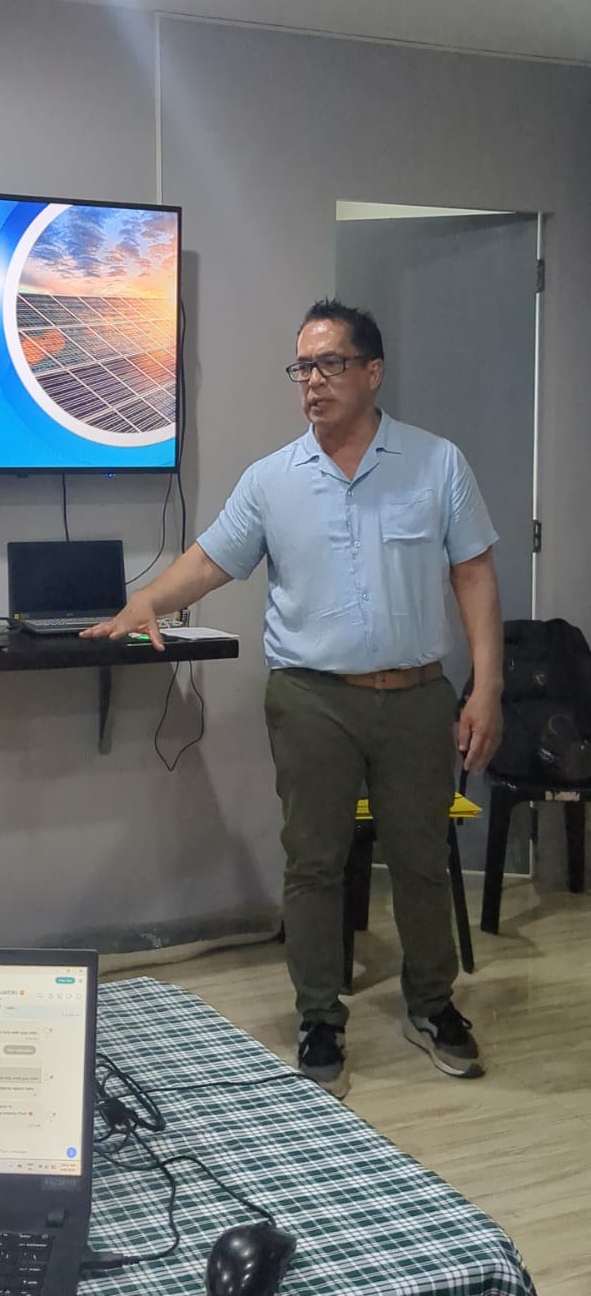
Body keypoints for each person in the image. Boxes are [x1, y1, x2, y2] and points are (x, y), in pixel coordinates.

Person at [82, 298, 502, 1097]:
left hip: (417, 697)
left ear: (371, 372)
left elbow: (473, 574)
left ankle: (431, 1004)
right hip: (311, 698)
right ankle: (318, 1018)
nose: (312, 381)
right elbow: (211, 558)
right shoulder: (272, 479)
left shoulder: (436, 463)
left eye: (329, 364)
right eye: (302, 367)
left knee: (420, 856)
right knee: (313, 860)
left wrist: (487, 686)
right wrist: (148, 601)